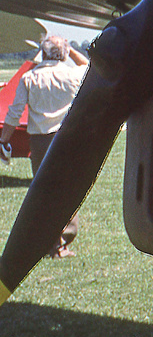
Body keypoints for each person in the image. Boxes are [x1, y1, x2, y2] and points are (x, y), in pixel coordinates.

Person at [0, 35, 90, 257]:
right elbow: (87, 65)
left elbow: (14, 113)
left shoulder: (29, 78)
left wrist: (3, 140)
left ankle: (48, 243)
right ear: (64, 53)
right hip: (67, 139)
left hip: (39, 141)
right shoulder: (72, 75)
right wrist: (71, 51)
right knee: (68, 192)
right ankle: (62, 243)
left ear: (43, 52)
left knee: (43, 193)